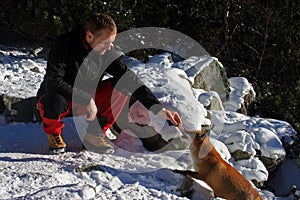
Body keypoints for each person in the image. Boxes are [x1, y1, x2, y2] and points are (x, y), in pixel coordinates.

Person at [37, 13, 182, 153]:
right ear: (89, 35)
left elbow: (130, 79)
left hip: (88, 101)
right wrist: (85, 99)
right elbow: (54, 81)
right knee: (52, 101)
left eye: (111, 43)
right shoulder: (64, 44)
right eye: (105, 42)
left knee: (122, 85)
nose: (108, 47)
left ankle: (94, 135)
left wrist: (159, 109)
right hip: (62, 98)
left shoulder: (107, 52)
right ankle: (54, 134)